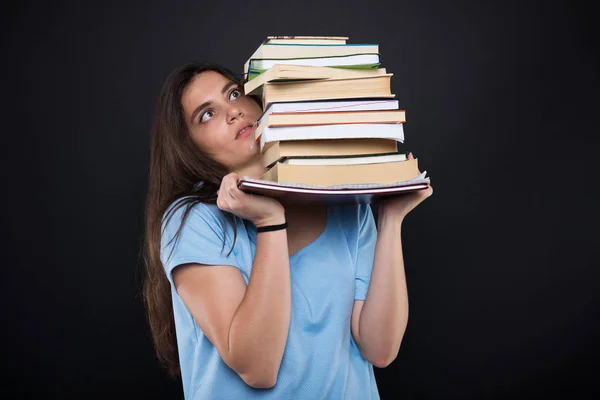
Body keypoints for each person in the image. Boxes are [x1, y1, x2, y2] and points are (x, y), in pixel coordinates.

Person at [143, 62, 433, 399]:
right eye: (206, 115)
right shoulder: (193, 221)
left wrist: (391, 220)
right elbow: (257, 367)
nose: (234, 112)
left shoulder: (345, 203)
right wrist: (269, 222)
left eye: (234, 94)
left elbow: (379, 349)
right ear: (189, 148)